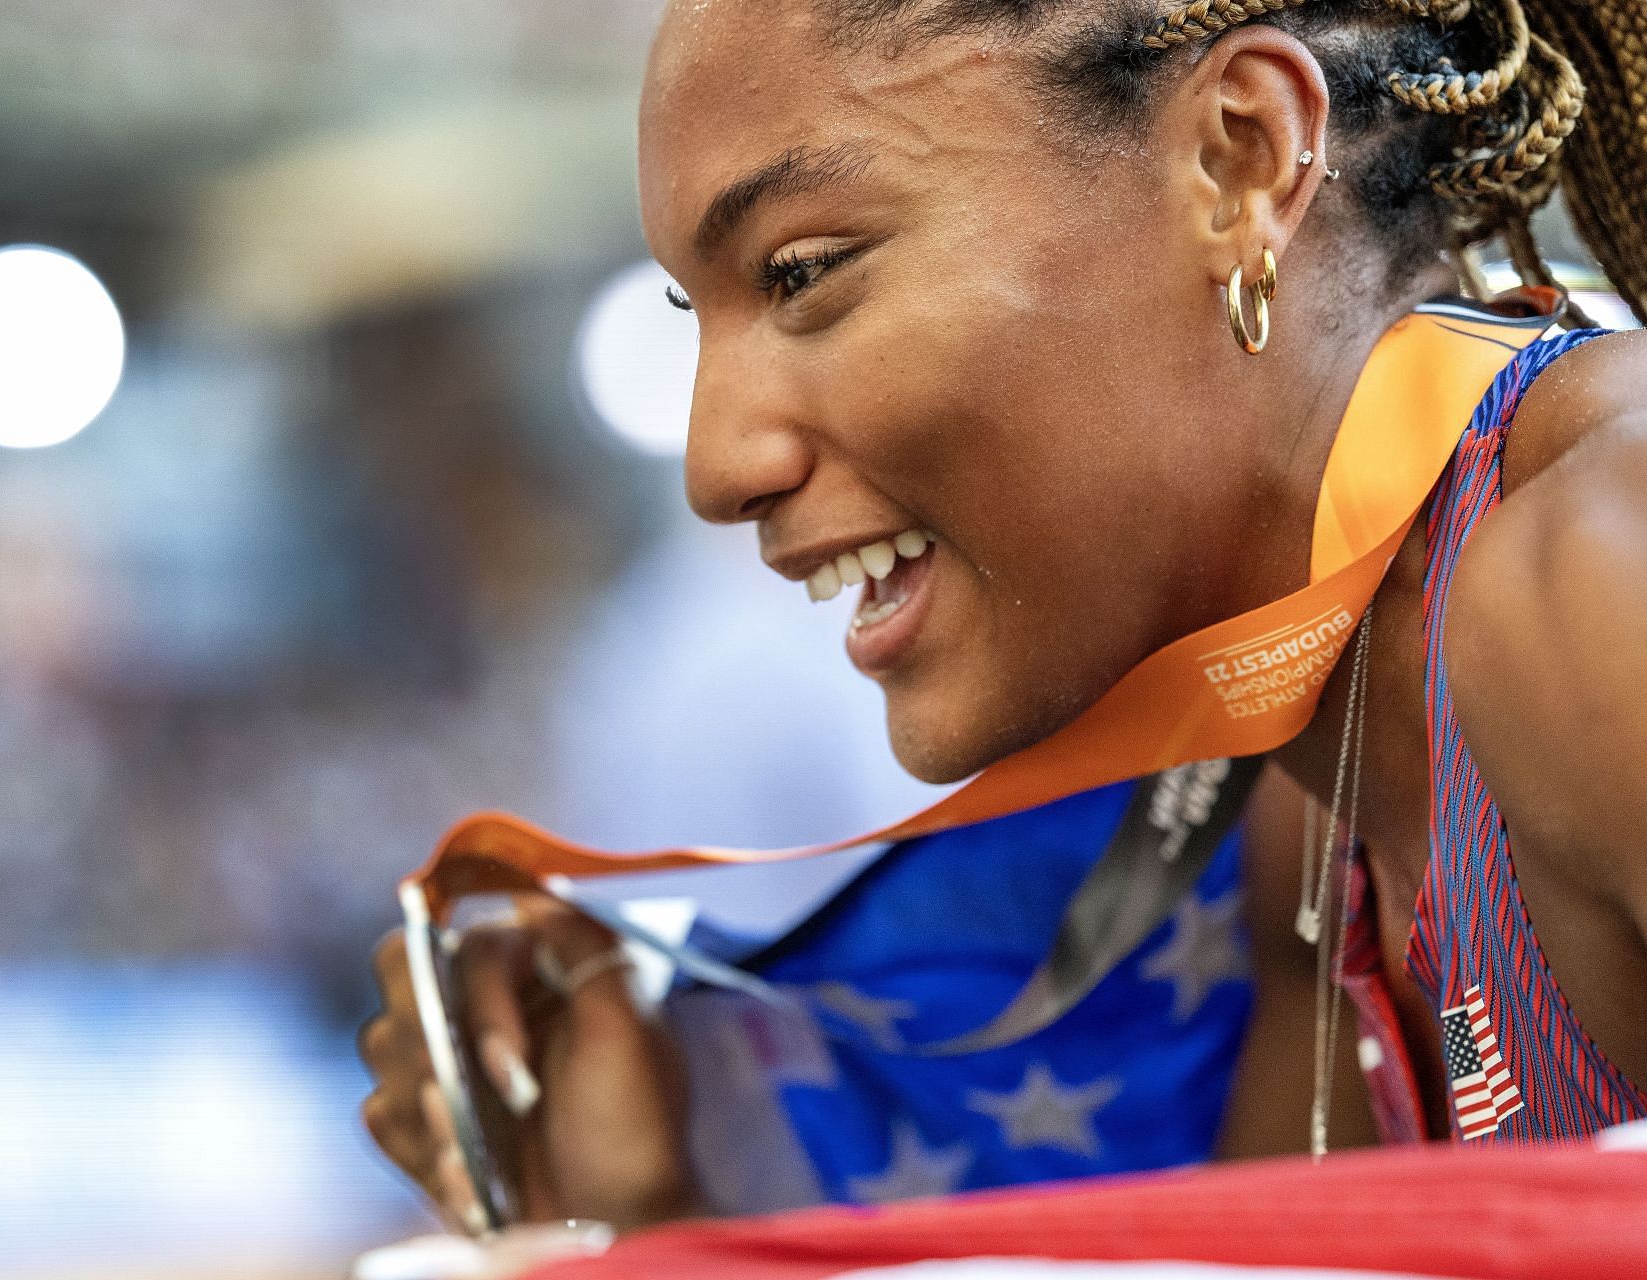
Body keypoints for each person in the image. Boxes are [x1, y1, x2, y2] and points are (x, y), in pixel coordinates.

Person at [362, 0, 1647, 1233]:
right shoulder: (1296, 803)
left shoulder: (1603, 574)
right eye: (701, 317)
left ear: (1236, 161)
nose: (714, 465)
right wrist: (658, 1205)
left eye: (804, 272)